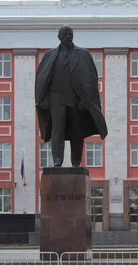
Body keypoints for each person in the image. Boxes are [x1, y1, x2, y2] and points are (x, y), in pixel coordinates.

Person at [35, 25, 108, 167]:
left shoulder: (82, 54)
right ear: (59, 37)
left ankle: (76, 162)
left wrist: (86, 99)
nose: (68, 36)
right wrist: (42, 99)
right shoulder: (50, 55)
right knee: (57, 131)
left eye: (70, 34)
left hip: (76, 100)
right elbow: (42, 78)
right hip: (56, 100)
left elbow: (91, 79)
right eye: (65, 34)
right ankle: (57, 161)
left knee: (77, 131)